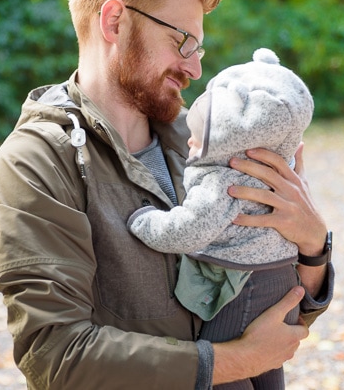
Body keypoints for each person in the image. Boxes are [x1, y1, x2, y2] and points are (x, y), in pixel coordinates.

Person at [0, 0, 334, 390]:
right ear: (115, 22)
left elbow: (277, 307)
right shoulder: (34, 165)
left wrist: (314, 246)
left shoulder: (203, 140)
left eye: (198, 47)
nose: (196, 68)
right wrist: (234, 361)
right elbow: (55, 357)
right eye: (182, 40)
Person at [127, 47, 316, 389]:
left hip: (243, 286)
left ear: (230, 136)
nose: (190, 142)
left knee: (225, 367)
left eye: (199, 136)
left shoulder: (225, 178)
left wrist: (145, 221)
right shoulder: (275, 163)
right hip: (281, 279)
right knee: (268, 371)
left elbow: (188, 230)